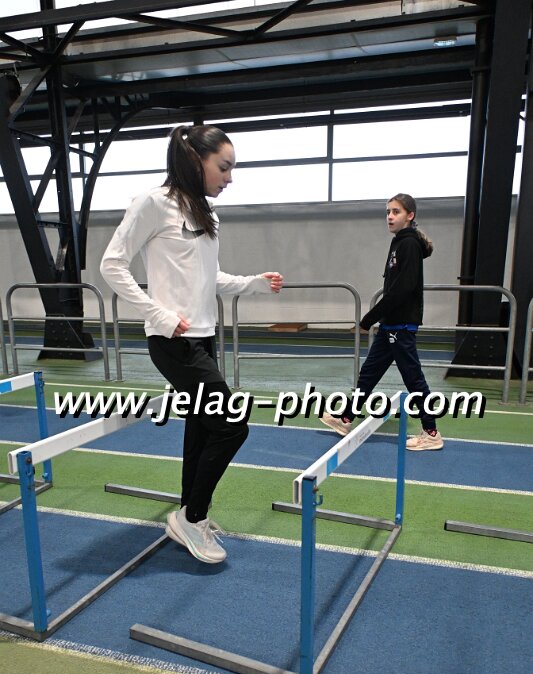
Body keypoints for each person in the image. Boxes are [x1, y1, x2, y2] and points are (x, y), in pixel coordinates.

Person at [101, 124, 283, 564]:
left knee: (203, 429)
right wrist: (158, 314)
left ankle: (188, 513)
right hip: (173, 342)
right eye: (224, 167)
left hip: (205, 336)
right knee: (232, 425)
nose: (230, 178)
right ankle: (193, 516)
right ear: (195, 160)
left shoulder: (205, 212)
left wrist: (253, 283)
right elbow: (112, 265)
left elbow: (208, 277)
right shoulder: (153, 203)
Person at [321, 193, 443, 451]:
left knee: (413, 378)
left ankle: (431, 433)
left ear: (409, 215)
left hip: (401, 325)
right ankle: (345, 419)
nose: (389, 216)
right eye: (388, 211)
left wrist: (368, 319)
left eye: (396, 212)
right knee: (369, 372)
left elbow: (402, 290)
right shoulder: (399, 242)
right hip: (391, 324)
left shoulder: (408, 245)